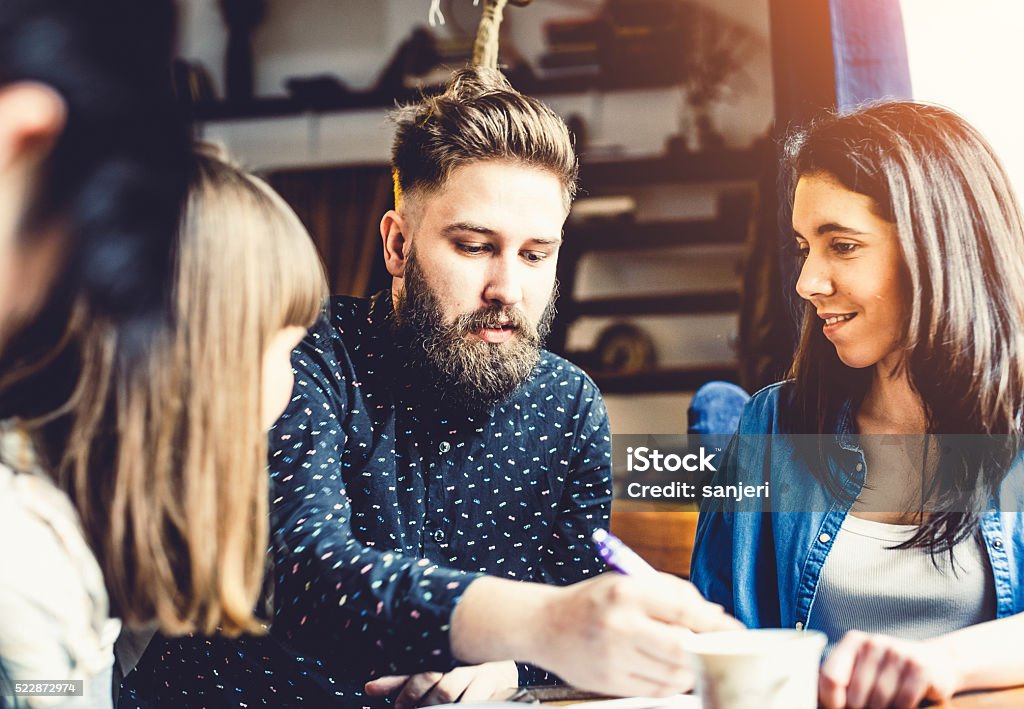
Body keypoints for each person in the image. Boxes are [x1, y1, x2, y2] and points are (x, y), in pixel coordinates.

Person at [123, 66, 738, 708]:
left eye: (534, 255)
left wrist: (515, 667)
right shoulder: (303, 349)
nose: (507, 289)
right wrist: (541, 623)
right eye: (474, 246)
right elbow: (309, 573)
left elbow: (572, 601)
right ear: (397, 244)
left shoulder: (570, 405)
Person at [691, 101, 1024, 709]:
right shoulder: (773, 426)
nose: (806, 283)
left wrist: (943, 662)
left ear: (941, 249)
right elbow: (716, 635)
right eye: (803, 247)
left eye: (842, 246)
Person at [1, 144, 329, 708]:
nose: (292, 386)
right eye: (285, 350)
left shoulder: (107, 518)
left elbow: (65, 687)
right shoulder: (27, 552)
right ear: (193, 359)